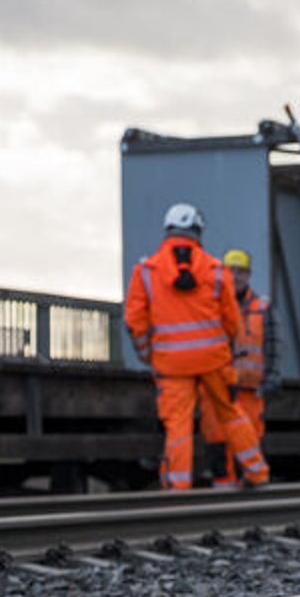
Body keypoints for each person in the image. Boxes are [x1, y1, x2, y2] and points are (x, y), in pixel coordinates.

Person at [124, 204, 270, 491]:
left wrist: (147, 354)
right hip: (214, 360)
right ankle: (257, 473)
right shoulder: (216, 270)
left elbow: (135, 321)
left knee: (178, 425)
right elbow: (231, 318)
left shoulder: (145, 271)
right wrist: (231, 348)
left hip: (170, 363)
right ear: (198, 232)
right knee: (230, 411)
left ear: (167, 231)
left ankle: (178, 488)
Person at [197, 248, 275, 489]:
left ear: (249, 275)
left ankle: (248, 493)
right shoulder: (211, 306)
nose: (236, 276)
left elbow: (273, 344)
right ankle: (223, 493)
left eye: (241, 272)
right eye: (232, 271)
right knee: (217, 440)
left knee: (250, 440)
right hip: (217, 386)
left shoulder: (262, 306)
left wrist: (272, 376)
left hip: (249, 387)